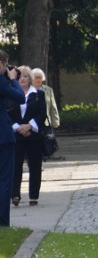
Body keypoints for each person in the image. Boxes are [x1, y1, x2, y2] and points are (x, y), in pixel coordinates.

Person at [10, 66, 46, 207]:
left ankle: (33, 196)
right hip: (16, 135)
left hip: (33, 134)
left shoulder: (38, 94)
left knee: (35, 166)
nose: (22, 79)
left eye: (25, 76)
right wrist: (18, 127)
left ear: (30, 78)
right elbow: (7, 113)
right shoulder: (11, 94)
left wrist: (29, 125)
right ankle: (15, 195)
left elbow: (42, 113)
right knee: (15, 166)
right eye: (19, 76)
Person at [0, 52, 25, 226]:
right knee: (5, 179)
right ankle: (3, 222)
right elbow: (20, 97)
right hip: (3, 135)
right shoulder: (1, 81)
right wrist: (13, 79)